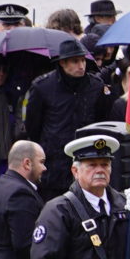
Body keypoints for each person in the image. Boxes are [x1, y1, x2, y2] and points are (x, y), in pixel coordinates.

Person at [24, 36, 112, 197]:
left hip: (86, 157)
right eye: (75, 61)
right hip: (54, 163)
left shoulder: (95, 86)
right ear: (63, 63)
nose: (81, 65)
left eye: (83, 60)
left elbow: (102, 121)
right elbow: (32, 125)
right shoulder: (43, 87)